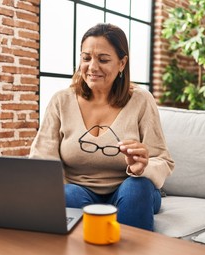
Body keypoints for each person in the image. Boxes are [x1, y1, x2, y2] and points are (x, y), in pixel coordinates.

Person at [29, 23, 174, 231]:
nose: (92, 67)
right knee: (67, 195)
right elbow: (42, 159)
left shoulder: (142, 100)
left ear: (122, 63)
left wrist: (142, 167)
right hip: (80, 191)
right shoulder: (61, 101)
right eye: (86, 58)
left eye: (103, 59)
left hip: (133, 188)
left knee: (136, 188)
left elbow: (163, 160)